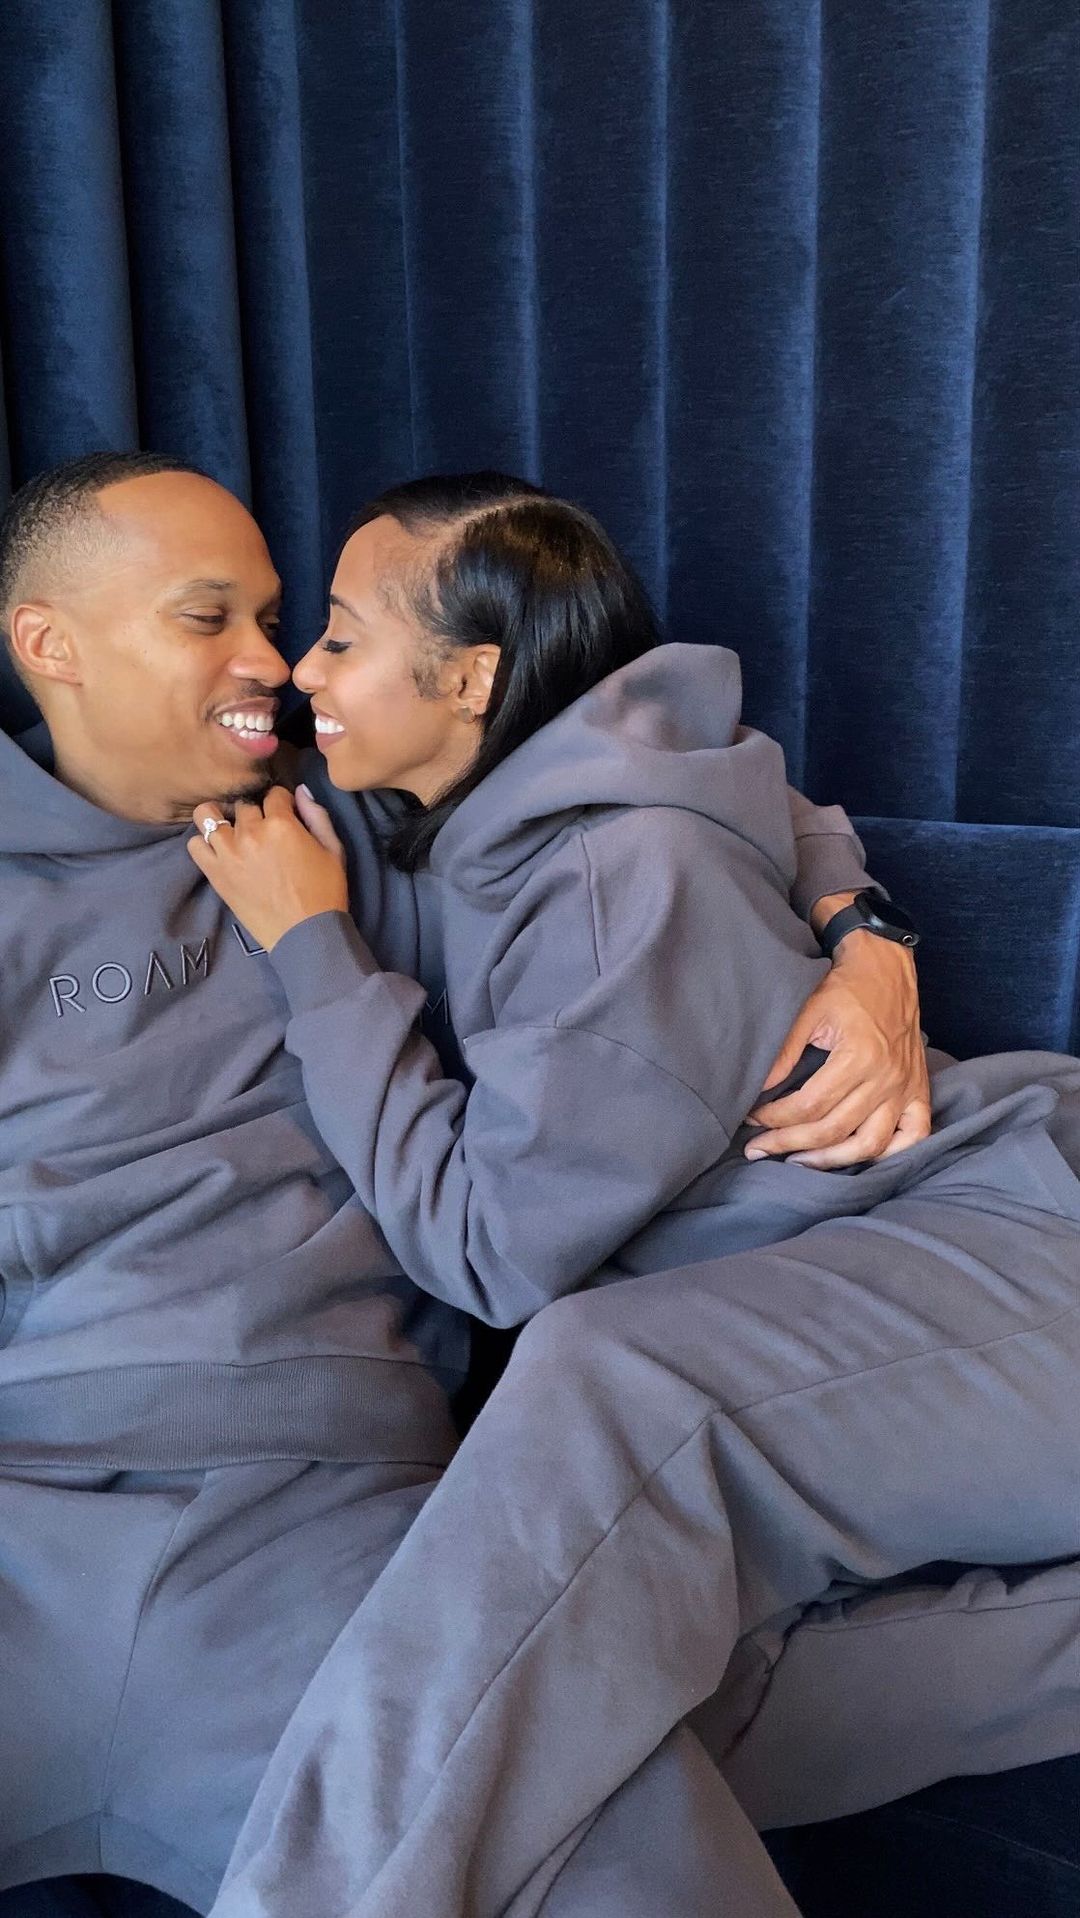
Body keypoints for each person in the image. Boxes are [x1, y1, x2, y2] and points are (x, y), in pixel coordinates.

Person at [0, 451, 924, 1918]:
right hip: (29, 1502)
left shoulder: (349, 808)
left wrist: (868, 939)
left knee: (642, 1873)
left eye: (281, 620)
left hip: (337, 1519)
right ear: (48, 642)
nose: (273, 666)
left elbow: (667, 781)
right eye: (208, 618)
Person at [188, 474, 1080, 1918]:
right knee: (610, 1700)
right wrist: (864, 926)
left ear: (471, 679)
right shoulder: (500, 803)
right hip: (866, 1309)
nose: (300, 672)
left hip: (1014, 1254)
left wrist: (312, 952)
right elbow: (769, 796)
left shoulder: (621, 874)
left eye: (339, 636)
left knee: (602, 1380)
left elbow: (487, 1254)